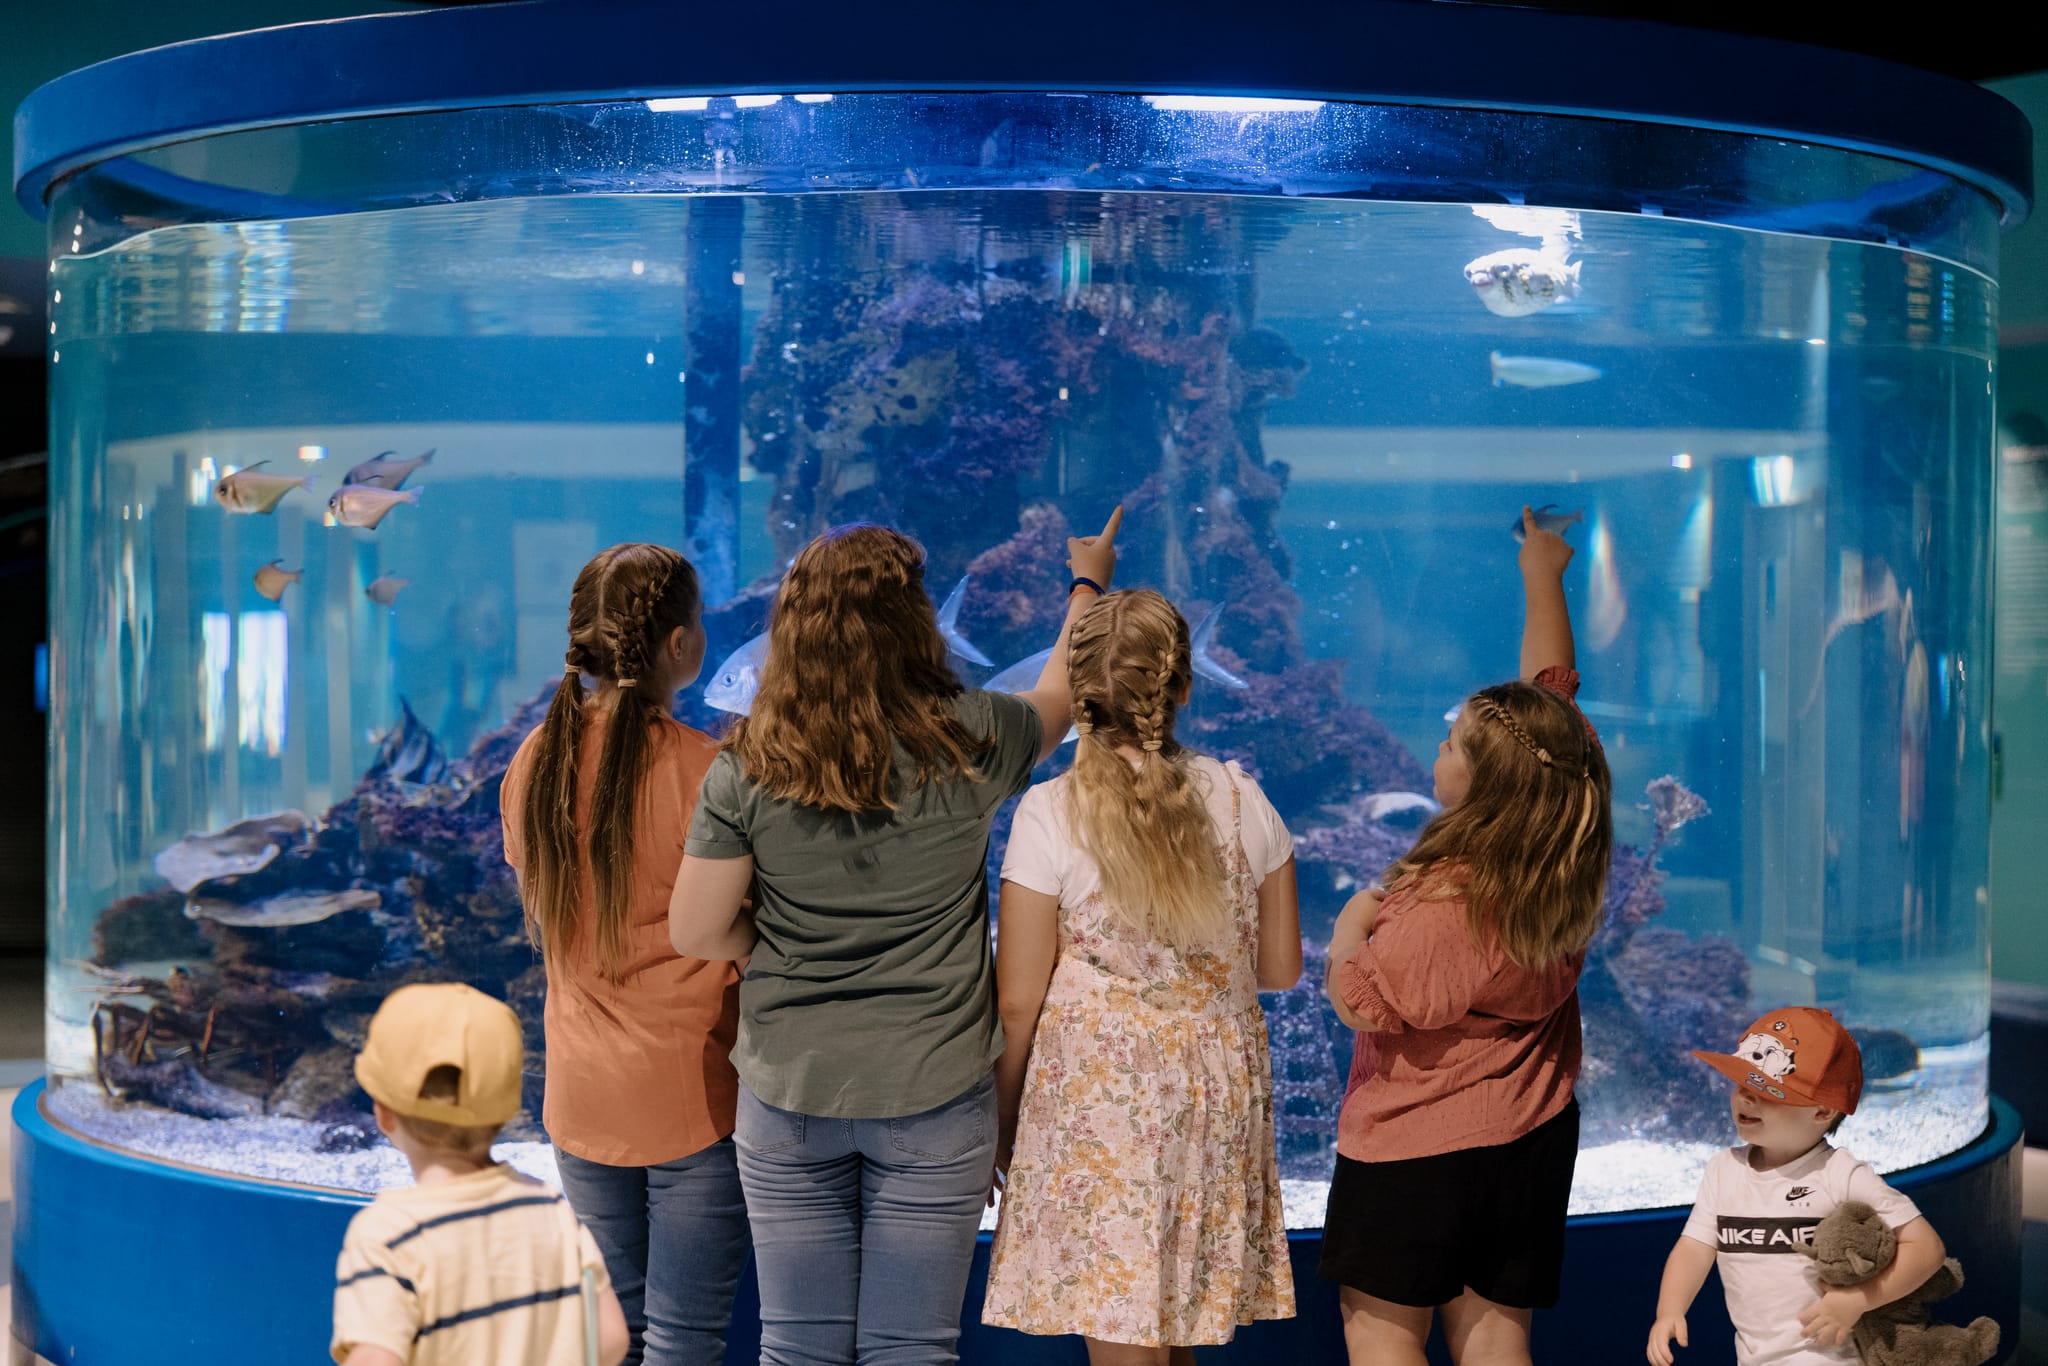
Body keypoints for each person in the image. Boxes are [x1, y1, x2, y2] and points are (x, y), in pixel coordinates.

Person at [669, 509, 1122, 1366]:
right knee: (910, 1350)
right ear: (914, 618)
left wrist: (768, 949)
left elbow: (694, 928)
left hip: (791, 1089)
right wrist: (1087, 585)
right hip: (936, 1091)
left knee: (798, 1350)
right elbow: (1062, 697)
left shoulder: (751, 762)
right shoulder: (975, 733)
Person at [1319, 506, 1613, 1366]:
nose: (1437, 747)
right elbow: (1549, 700)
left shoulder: (1451, 900)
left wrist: (1350, 927)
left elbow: (1368, 1004)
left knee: (1381, 1337)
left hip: (1418, 1146)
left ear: (1483, 780)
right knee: (1494, 1343)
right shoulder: (1559, 845)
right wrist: (1541, 574)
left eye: (1452, 741)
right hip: (1529, 1135)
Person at [981, 587, 1301, 1363]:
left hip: (1097, 1095)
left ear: (1080, 696)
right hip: (1214, 1087)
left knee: (1124, 1331)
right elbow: (1281, 969)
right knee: (1173, 1323)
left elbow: (1018, 997)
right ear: (1183, 686)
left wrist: (1001, 1113)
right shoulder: (1242, 800)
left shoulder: (1049, 812)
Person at [499, 544, 749, 1366]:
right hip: (692, 1099)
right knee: (683, 1342)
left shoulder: (532, 763)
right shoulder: (709, 773)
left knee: (613, 1338)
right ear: (681, 645)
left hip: (579, 1099)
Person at [331, 982, 630, 1366]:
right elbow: (610, 1340)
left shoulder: (387, 1233)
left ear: (383, 1114)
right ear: (507, 1113)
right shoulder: (551, 1207)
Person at [1646, 1007, 1947, 1366]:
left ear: (1822, 1112)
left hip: (1829, 1356)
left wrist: (1858, 1300)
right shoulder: (1723, 1170)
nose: (1745, 1097)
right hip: (1753, 1355)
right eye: (1742, 1083)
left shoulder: (1840, 1173)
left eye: (1766, 1090)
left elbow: (1927, 1248)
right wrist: (1669, 1311)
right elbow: (1694, 1247)